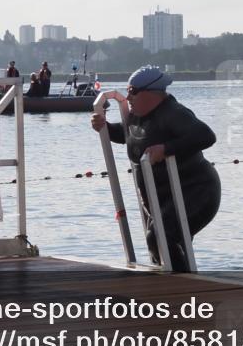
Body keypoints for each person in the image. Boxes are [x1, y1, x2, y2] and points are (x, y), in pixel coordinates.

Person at [91, 66, 220, 272]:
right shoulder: (137, 114)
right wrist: (105, 127)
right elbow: (131, 137)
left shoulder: (174, 113)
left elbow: (206, 136)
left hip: (197, 190)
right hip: (162, 194)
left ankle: (181, 286)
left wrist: (167, 149)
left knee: (161, 236)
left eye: (133, 91)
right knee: (160, 241)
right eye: (127, 91)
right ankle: (176, 284)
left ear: (152, 93)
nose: (128, 97)